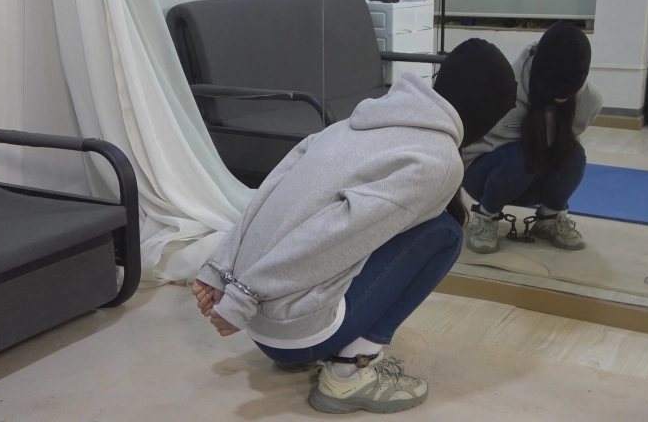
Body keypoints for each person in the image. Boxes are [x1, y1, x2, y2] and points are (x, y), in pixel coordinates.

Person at [191, 38, 517, 415]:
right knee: (444, 233)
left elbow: (268, 192)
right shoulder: (438, 160)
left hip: (264, 326)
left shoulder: (357, 120)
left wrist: (222, 270)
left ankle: (322, 345)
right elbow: (333, 235)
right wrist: (242, 298)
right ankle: (350, 373)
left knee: (392, 227)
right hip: (292, 333)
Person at [462, 21, 603, 254]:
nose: (561, 99)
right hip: (485, 175)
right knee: (520, 156)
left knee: (574, 154)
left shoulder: (590, 100)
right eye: (556, 90)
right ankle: (486, 217)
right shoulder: (501, 90)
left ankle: (549, 218)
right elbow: (465, 146)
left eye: (567, 93)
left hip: (532, 178)